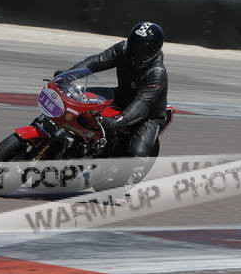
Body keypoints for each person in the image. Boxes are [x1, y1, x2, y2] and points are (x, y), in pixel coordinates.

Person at [56, 22, 168, 167]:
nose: (134, 50)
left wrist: (117, 120)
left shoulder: (157, 72)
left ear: (152, 50)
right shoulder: (123, 49)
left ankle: (124, 175)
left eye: (140, 48)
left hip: (148, 115)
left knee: (136, 153)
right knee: (77, 97)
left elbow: (142, 103)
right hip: (121, 96)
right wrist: (68, 76)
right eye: (133, 44)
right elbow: (97, 61)